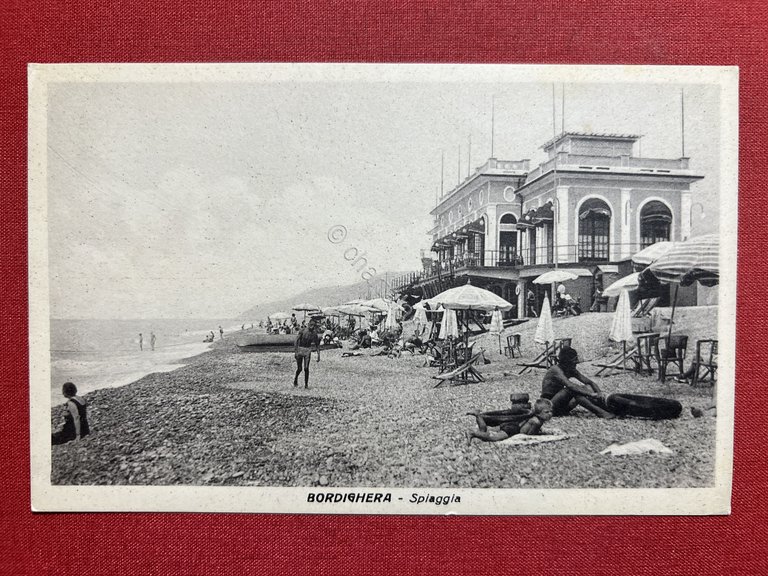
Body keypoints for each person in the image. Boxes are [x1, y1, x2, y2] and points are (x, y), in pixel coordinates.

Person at [540, 347, 615, 419]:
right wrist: (591, 394)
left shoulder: (570, 369)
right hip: (549, 407)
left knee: (587, 387)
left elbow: (590, 382)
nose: (577, 362)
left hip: (562, 407)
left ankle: (604, 408)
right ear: (567, 361)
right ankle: (599, 412)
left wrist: (599, 394)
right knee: (571, 390)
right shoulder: (555, 370)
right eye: (574, 360)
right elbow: (570, 386)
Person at [466, 398, 554, 444]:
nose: (550, 414)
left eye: (551, 411)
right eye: (547, 412)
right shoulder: (536, 422)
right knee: (494, 438)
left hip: (511, 424)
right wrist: (540, 433)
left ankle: (478, 416)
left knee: (485, 430)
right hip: (512, 429)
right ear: (539, 413)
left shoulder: (532, 416)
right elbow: (529, 434)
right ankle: (473, 433)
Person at [294, 318, 321, 388]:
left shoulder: (314, 334)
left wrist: (318, 355)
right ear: (308, 324)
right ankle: (295, 379)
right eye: (311, 325)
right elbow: (296, 340)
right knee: (299, 368)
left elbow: (317, 344)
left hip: (308, 350)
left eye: (313, 325)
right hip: (300, 349)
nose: (312, 326)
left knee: (306, 368)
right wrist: (296, 351)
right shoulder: (302, 330)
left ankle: (306, 384)